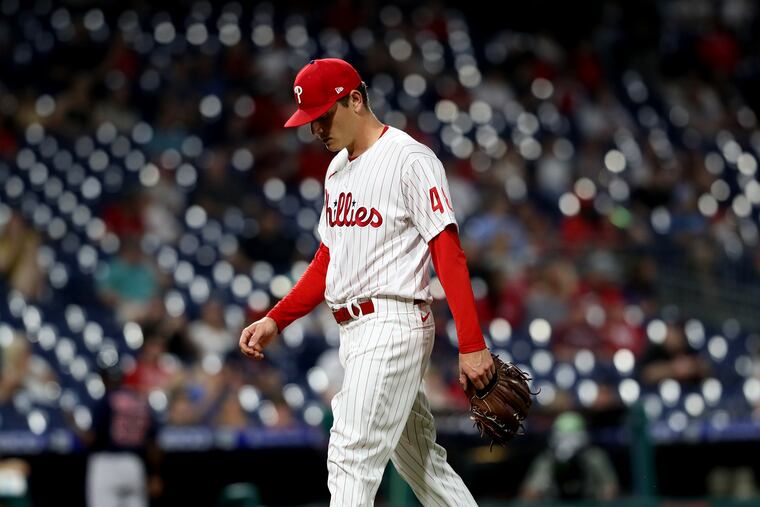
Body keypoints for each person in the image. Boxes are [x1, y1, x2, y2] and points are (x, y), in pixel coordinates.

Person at [239, 58, 495, 506]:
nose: (316, 129)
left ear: (355, 99)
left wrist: (472, 343)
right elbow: (329, 258)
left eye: (323, 116)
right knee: (421, 462)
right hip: (356, 330)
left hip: (392, 321)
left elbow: (447, 252)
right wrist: (276, 320)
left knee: (350, 453)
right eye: (309, 121)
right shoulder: (337, 170)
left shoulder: (410, 159)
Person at [79, 366, 163, 507]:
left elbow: (91, 439)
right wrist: (155, 474)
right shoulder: (140, 402)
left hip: (107, 463)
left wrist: (74, 427)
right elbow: (153, 445)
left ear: (105, 380)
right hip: (134, 464)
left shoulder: (107, 401)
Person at [519, 411, 619, 502]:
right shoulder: (547, 460)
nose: (568, 442)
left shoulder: (595, 457)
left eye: (573, 436)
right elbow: (529, 494)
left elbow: (611, 489)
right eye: (563, 437)